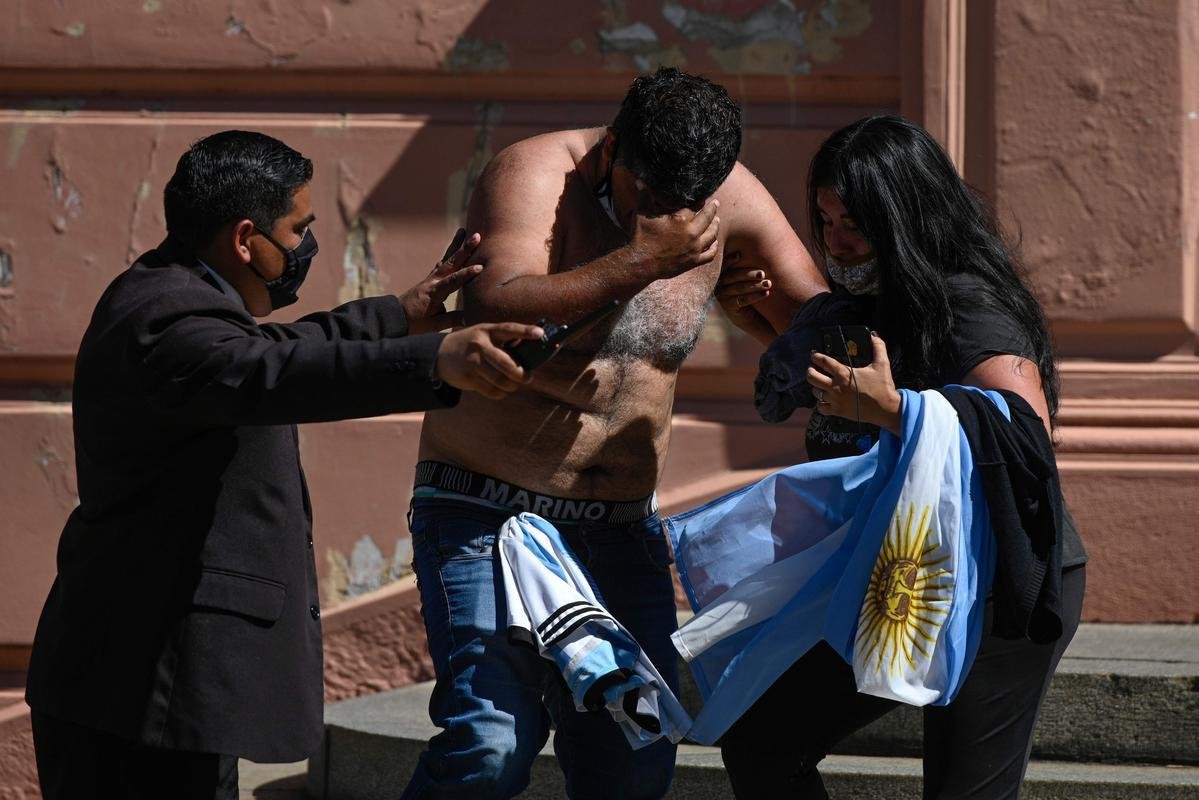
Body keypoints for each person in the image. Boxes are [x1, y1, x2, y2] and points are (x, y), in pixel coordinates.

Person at [23, 129, 542, 800]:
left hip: (155, 684)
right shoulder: (166, 320)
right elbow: (270, 368)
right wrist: (435, 360)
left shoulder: (176, 293)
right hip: (144, 691)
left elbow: (280, 347)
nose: (304, 248)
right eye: (298, 230)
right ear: (245, 239)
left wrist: (400, 315)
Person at [404, 67, 827, 799]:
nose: (663, 216)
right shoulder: (537, 174)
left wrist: (763, 324)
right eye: (647, 197)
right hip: (486, 513)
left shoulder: (728, 201)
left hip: (620, 531)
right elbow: (494, 302)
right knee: (490, 745)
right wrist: (640, 263)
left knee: (633, 757)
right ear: (610, 153)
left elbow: (819, 331)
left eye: (683, 205)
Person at [717, 115, 1088, 798]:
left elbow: (1022, 433)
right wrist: (766, 322)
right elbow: (845, 371)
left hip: (997, 581)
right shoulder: (875, 296)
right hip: (896, 569)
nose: (835, 242)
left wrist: (891, 412)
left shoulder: (968, 306)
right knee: (762, 744)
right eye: (824, 222)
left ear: (905, 216)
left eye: (852, 223)